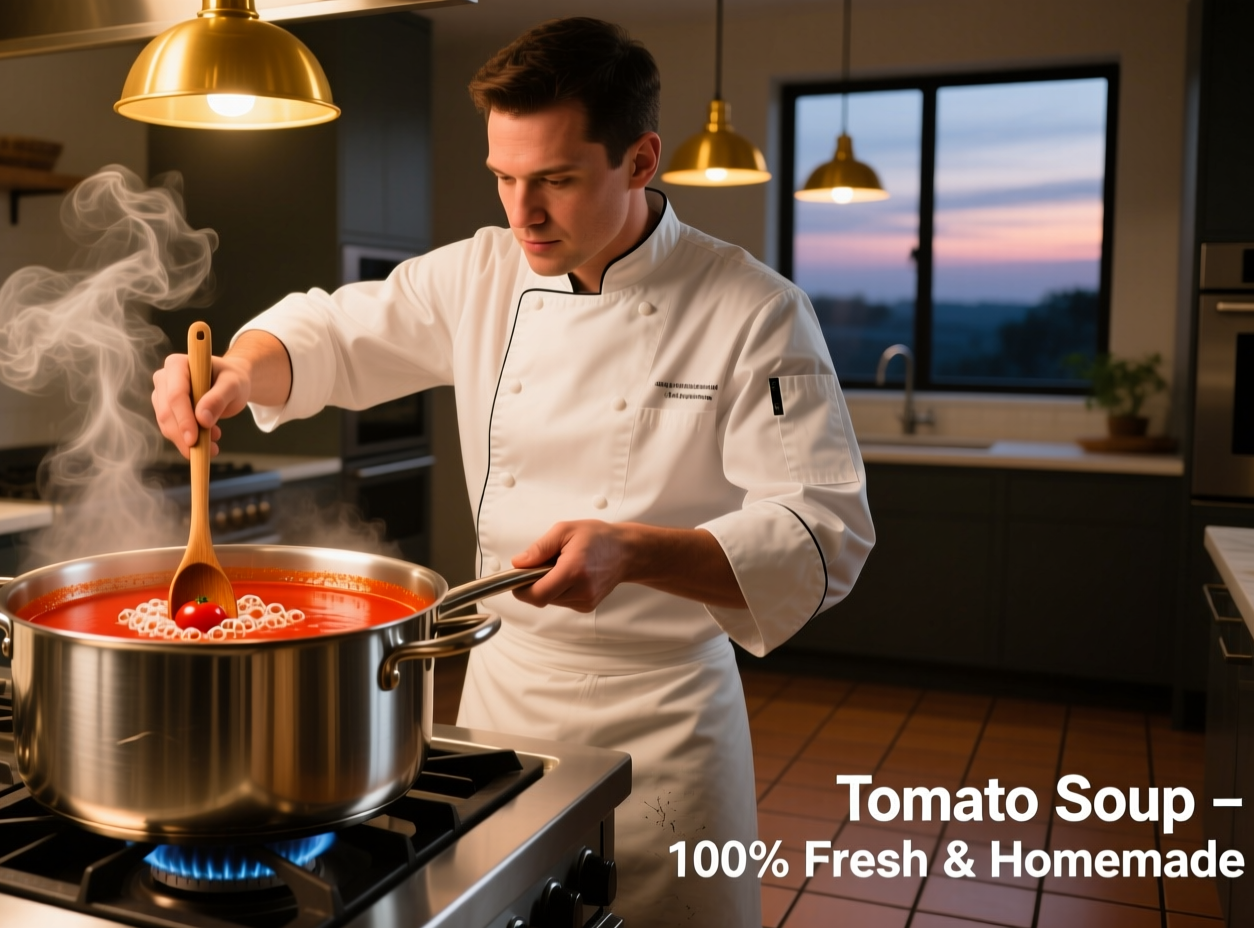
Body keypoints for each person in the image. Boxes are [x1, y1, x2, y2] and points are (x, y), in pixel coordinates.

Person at [152, 17, 874, 924]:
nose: (521, 212)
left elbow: (823, 535)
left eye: (557, 181)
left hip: (666, 730)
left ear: (641, 160)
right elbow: (331, 332)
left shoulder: (755, 310)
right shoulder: (483, 275)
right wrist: (236, 370)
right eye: (503, 176)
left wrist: (635, 552)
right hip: (501, 709)